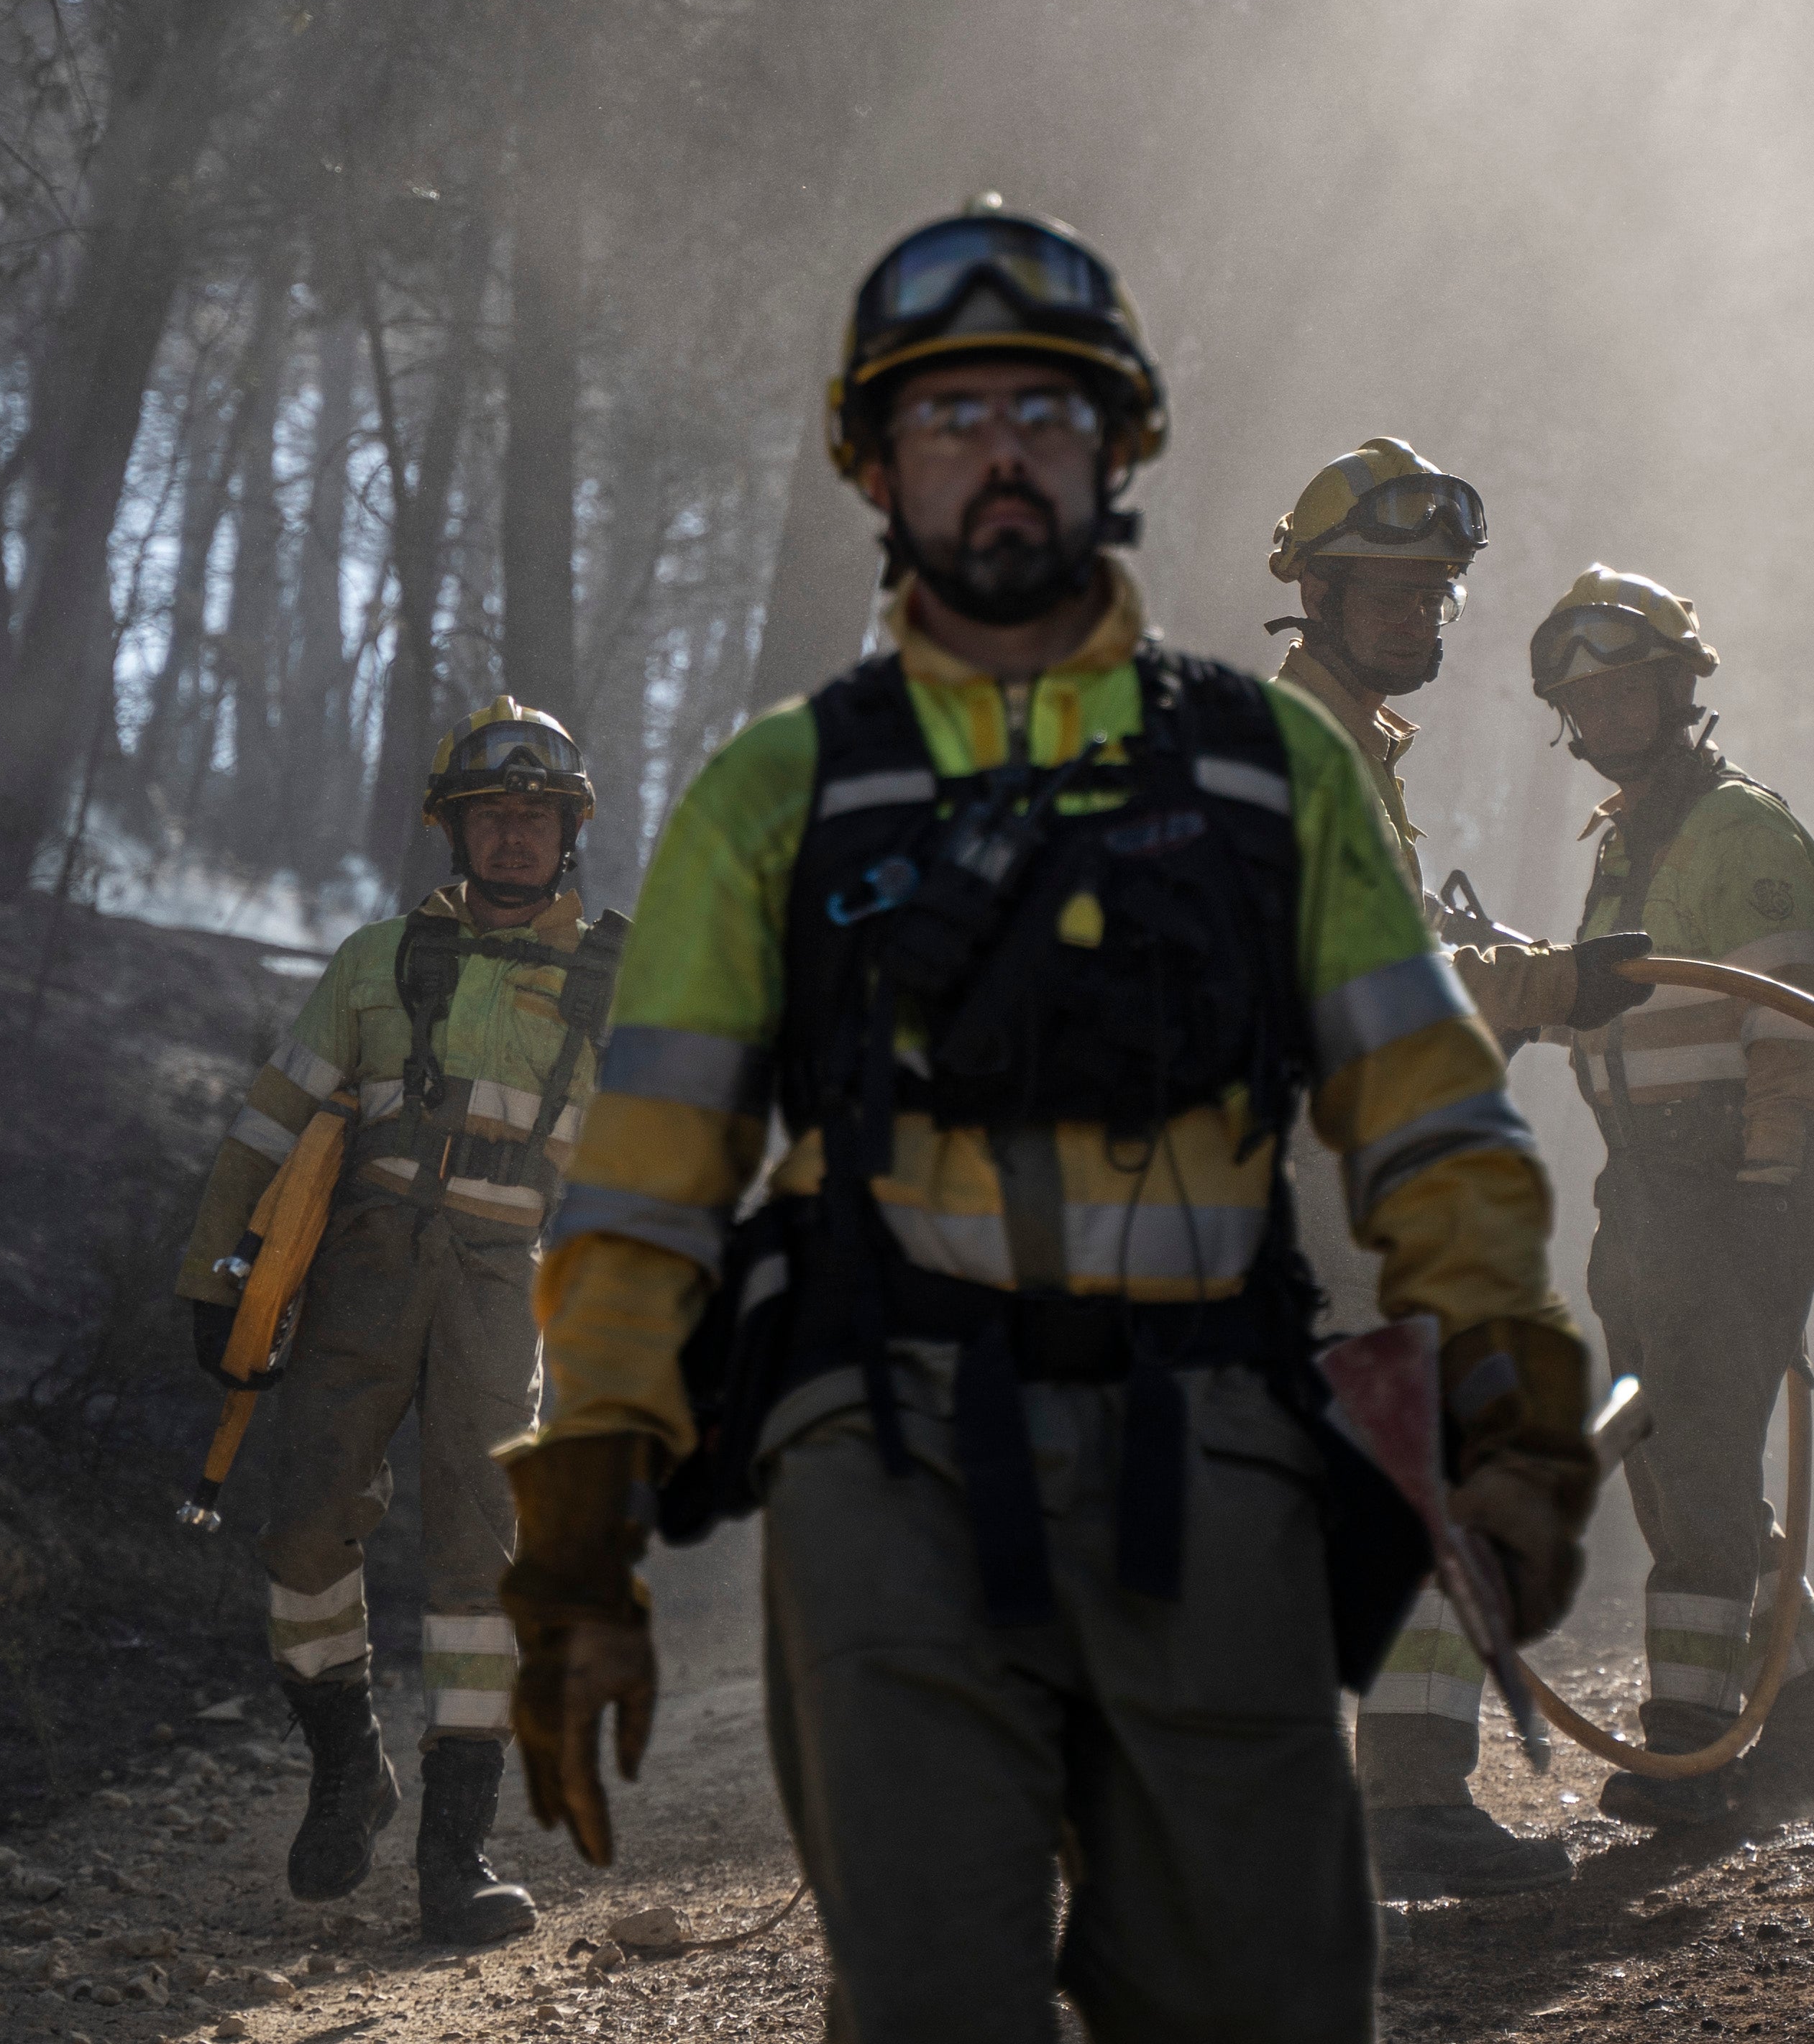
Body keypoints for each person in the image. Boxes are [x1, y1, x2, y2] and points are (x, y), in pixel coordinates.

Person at [495, 201, 1598, 2040]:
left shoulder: (1276, 769)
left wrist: (1504, 1370)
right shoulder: (778, 798)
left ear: (1120, 455)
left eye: (1050, 417)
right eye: (950, 418)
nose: (1002, 458)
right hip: (891, 1479)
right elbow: (645, 1185)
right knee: (936, 1981)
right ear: (876, 463)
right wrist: (579, 1514)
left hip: (1213, 1467)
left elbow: (1428, 1105)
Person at [1264, 439, 1655, 1897]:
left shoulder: (1345, 747)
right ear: (1313, 589)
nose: (1422, 612)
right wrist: (1554, 985)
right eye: (1388, 588)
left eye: (1438, 591)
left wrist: (1546, 988)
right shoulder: (1306, 747)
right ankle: (1408, 1801)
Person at [170, 704, 626, 1946]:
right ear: (455, 833)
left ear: (569, 831)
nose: (517, 836)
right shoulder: (373, 963)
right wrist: (218, 1280)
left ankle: (453, 1862)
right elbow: (264, 1137)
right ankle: (346, 1772)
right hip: (361, 1271)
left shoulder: (617, 986)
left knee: (481, 1569)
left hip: (499, 1286)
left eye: (537, 816)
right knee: (305, 1524)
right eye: (494, 816)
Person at [1527, 567, 1814, 1830]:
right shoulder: (1629, 839)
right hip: (1645, 1197)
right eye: (1587, 698)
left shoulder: (1741, 834)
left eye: (1628, 686)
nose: (1608, 712)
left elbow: (1796, 1031)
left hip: (1726, 1189)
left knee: (1704, 1470)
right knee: (1676, 1472)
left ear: (1679, 689)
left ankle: (1693, 1747)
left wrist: (1765, 1186)